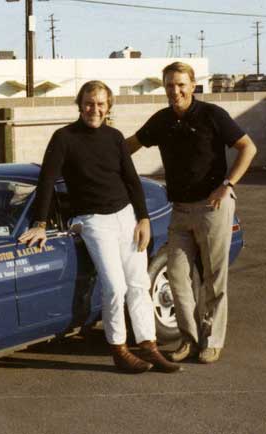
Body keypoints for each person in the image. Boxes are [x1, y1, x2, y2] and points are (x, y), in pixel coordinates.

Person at [19, 80, 180, 374]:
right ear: (80, 105)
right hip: (93, 221)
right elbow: (46, 182)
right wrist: (40, 223)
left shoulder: (115, 137)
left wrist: (142, 218)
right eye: (89, 103)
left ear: (109, 107)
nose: (95, 109)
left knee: (139, 284)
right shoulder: (63, 138)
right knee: (115, 286)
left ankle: (148, 346)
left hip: (126, 217)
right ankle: (119, 349)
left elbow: (131, 180)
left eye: (101, 104)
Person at [126, 62, 257, 364]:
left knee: (213, 277)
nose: (176, 91)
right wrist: (100, 154)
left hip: (213, 208)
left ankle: (212, 340)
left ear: (193, 84)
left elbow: (247, 148)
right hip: (180, 210)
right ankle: (189, 338)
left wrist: (228, 184)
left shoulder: (213, 115)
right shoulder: (161, 120)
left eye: (181, 85)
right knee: (177, 275)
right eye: (170, 85)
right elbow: (129, 145)